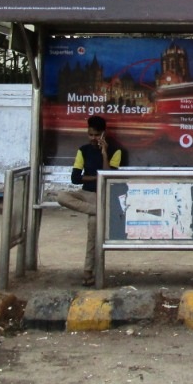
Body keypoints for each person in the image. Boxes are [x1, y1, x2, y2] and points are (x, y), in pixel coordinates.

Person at [57, 114, 123, 286]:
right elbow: (75, 178)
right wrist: (96, 177)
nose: (93, 138)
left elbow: (109, 177)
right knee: (61, 196)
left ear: (103, 134)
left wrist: (104, 153)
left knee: (93, 227)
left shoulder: (115, 151)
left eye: (96, 135)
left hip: (99, 195)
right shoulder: (83, 150)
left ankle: (88, 271)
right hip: (85, 195)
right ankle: (98, 211)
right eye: (90, 135)